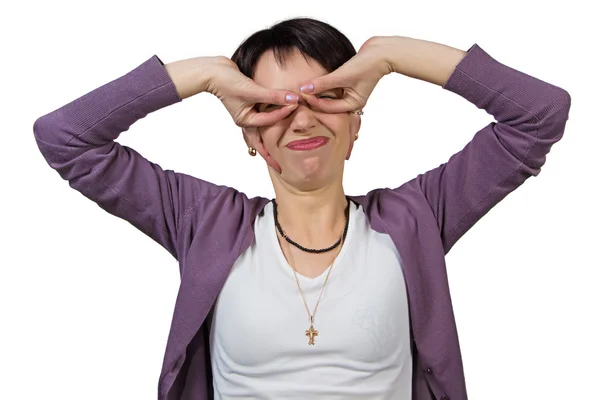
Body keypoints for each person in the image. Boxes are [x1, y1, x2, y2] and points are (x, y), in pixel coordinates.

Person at [33, 17, 571, 400]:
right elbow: (66, 139)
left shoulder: (417, 217)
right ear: (250, 136)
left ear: (355, 121)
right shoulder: (204, 221)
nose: (303, 119)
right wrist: (205, 74)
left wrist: (390, 54)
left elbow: (539, 114)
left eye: (326, 96)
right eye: (272, 106)